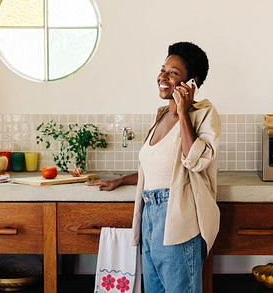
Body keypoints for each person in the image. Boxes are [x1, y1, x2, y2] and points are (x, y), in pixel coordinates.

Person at [87, 42, 221, 293]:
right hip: (150, 217)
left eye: (173, 73)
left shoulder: (203, 115)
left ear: (191, 81)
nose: (163, 76)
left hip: (178, 218)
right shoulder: (160, 116)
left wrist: (183, 112)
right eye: (163, 69)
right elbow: (156, 170)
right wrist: (119, 181)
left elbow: (196, 160)